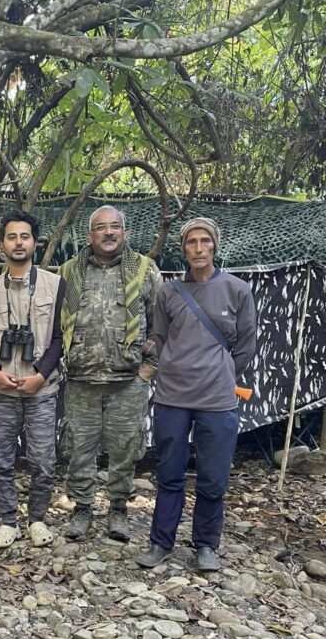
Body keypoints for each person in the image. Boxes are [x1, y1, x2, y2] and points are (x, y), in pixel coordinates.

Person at [137, 217, 256, 571]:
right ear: (184, 248)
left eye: (205, 241)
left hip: (218, 401)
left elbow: (246, 345)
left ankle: (206, 545)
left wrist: (221, 376)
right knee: (169, 472)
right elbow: (160, 337)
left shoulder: (237, 290)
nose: (199, 248)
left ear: (215, 245)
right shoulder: (169, 292)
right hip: (172, 396)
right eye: (192, 242)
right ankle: (161, 542)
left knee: (213, 474)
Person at [59, 206, 162, 542]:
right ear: (90, 236)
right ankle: (82, 509)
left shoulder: (145, 271)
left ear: (125, 233)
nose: (108, 233)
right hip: (80, 380)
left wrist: (148, 371)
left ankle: (118, 509)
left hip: (128, 382)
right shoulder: (68, 272)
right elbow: (52, 325)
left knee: (125, 449)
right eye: (100, 228)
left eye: (115, 227)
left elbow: (162, 326)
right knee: (80, 448)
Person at [0, 210, 65, 549]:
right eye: (11, 237)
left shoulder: (55, 284)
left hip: (42, 388)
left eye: (24, 236)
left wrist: (41, 375)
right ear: (2, 245)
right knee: (2, 458)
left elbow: (59, 338)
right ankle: (8, 520)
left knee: (43, 459)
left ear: (35, 243)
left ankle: (38, 518)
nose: (18, 242)